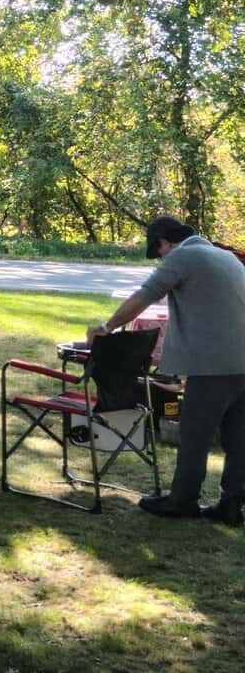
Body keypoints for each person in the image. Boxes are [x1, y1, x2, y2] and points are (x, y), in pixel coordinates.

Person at [89, 214, 245, 522]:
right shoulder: (223, 256)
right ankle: (232, 505)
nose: (159, 257)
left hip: (215, 364)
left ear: (164, 242)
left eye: (157, 251)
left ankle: (183, 500)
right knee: (238, 436)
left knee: (194, 433)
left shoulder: (184, 255)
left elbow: (144, 296)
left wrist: (106, 327)